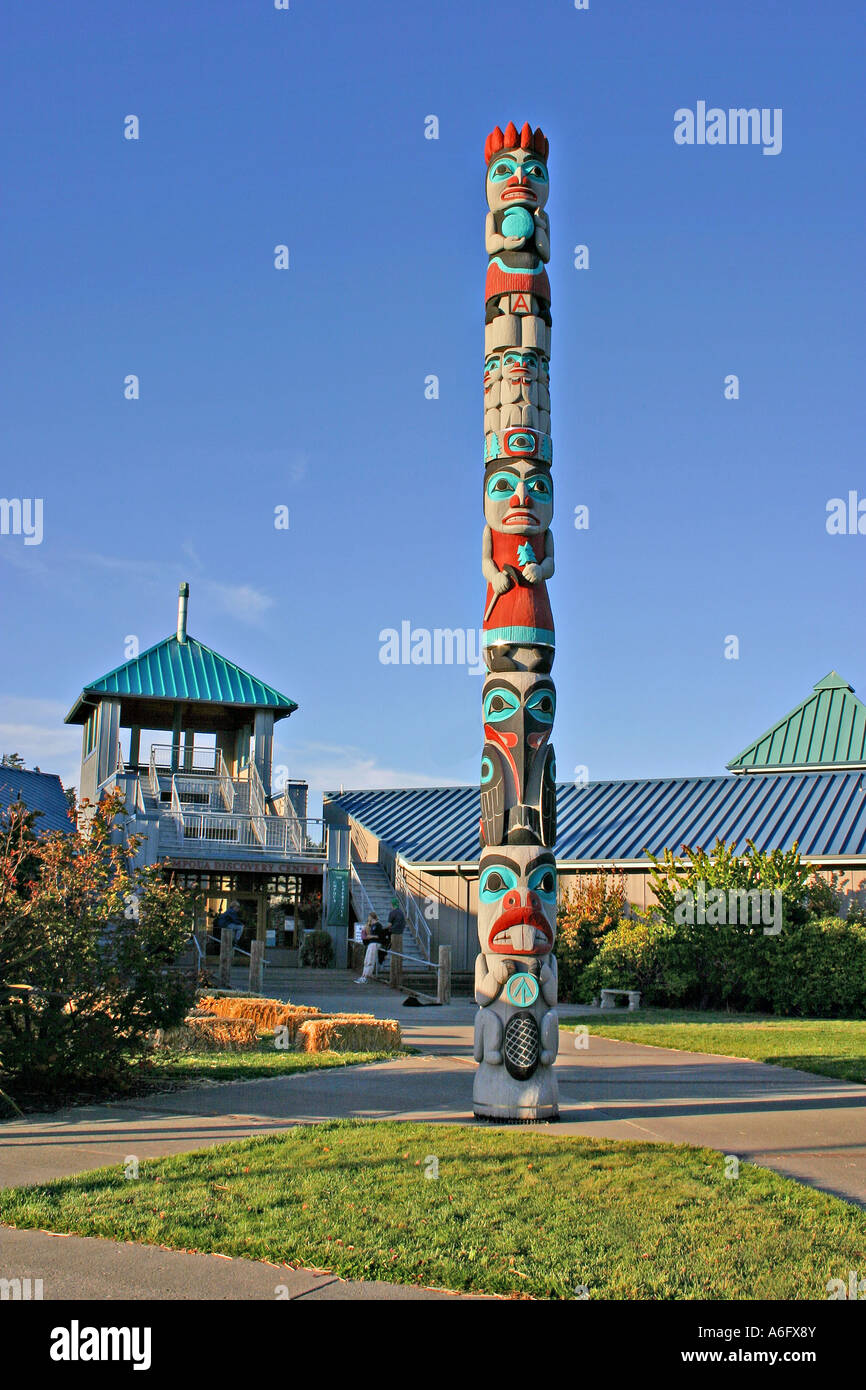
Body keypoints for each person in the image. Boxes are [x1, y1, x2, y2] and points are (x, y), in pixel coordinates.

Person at [354, 912, 382, 984]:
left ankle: (366, 977)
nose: (368, 919)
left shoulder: (378, 925)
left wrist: (371, 936)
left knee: (370, 960)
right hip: (371, 943)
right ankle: (363, 976)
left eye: (369, 917)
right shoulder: (372, 926)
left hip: (374, 943)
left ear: (372, 917)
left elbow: (379, 936)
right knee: (366, 960)